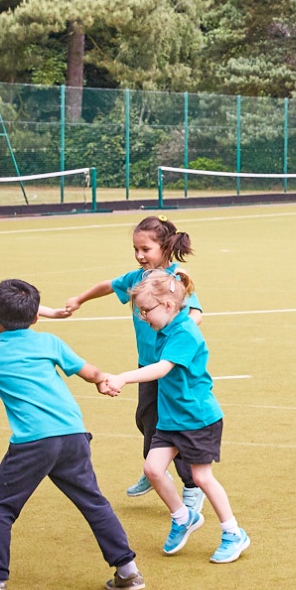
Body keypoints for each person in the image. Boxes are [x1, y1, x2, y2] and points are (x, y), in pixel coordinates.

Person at [0, 279, 143, 590]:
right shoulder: (50, 343)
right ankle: (127, 571)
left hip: (34, 443)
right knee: (94, 502)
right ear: (36, 317)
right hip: (73, 435)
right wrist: (102, 381)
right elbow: (89, 371)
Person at [98, 272, 250, 564]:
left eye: (146, 311)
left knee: (201, 477)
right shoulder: (164, 330)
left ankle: (233, 532)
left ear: (168, 305)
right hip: (171, 417)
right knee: (153, 470)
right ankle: (183, 517)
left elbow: (161, 369)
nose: (143, 317)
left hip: (197, 418)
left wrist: (123, 378)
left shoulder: (183, 333)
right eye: (139, 311)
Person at [55, 215, 202, 502]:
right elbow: (108, 285)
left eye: (146, 249)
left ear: (165, 247)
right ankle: (154, 470)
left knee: (175, 425)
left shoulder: (175, 280)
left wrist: (182, 330)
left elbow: (196, 312)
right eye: (136, 249)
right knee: (147, 420)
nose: (139, 255)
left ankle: (192, 486)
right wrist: (80, 299)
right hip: (147, 365)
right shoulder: (136, 278)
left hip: (172, 368)